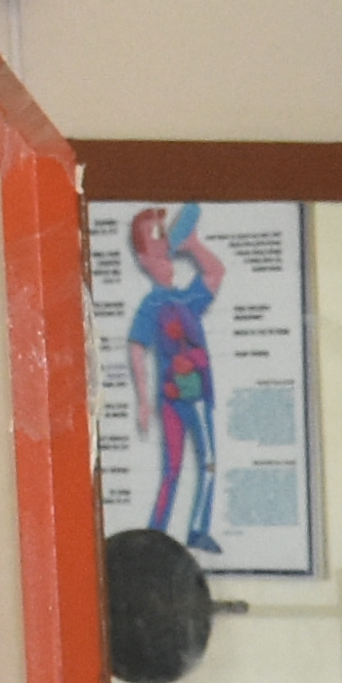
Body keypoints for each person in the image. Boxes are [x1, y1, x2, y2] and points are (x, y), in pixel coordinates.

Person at [123, 203, 222, 556]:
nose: (165, 259)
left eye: (167, 253)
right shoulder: (151, 306)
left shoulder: (187, 298)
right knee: (173, 467)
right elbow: (137, 348)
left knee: (207, 461)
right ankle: (157, 533)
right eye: (157, 254)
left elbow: (215, 272)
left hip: (198, 394)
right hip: (171, 399)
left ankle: (197, 528)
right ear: (144, 260)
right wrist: (144, 400)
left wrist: (193, 244)